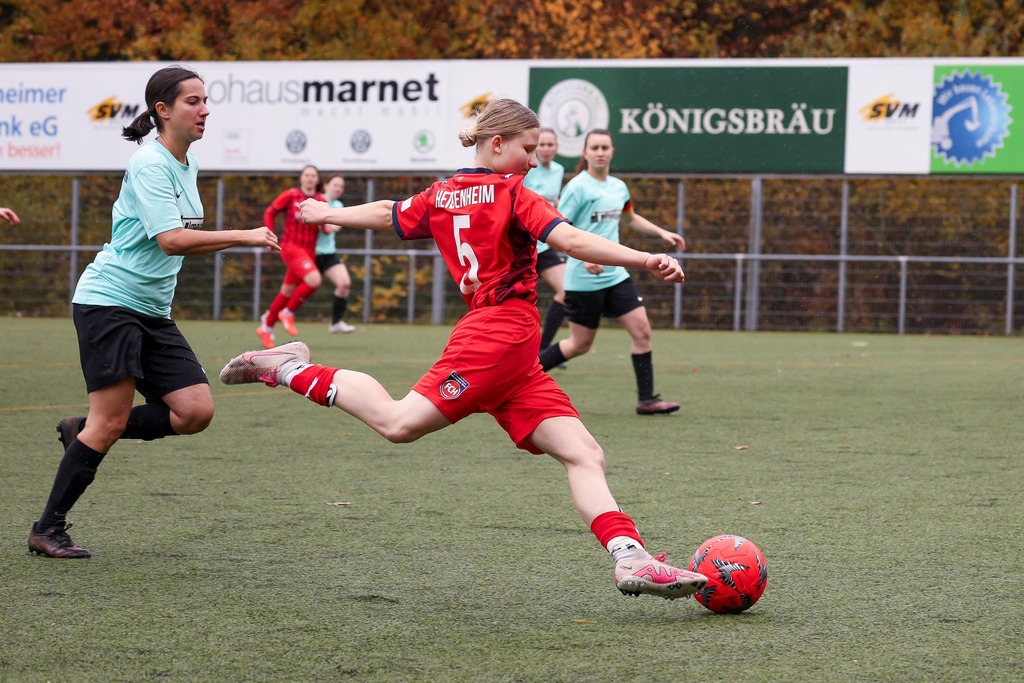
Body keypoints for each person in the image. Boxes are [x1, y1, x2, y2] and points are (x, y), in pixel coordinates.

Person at [219, 99, 707, 600]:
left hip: (514, 355)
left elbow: (388, 213)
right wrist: (645, 258)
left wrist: (329, 213)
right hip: (496, 337)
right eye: (527, 149)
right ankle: (288, 368)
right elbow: (573, 241)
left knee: (584, 453)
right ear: (497, 144)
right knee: (398, 423)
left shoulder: (443, 193)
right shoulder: (512, 194)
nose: (534, 160)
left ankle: (632, 558)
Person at [29, 65, 280, 558]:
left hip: (150, 310)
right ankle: (47, 529)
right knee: (110, 423)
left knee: (195, 411)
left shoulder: (188, 163)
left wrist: (234, 240)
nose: (205, 110)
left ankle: (82, 431)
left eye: (205, 100)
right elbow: (171, 240)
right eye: (193, 101)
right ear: (163, 110)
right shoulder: (149, 163)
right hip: (110, 304)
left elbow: (177, 241)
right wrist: (243, 235)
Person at [538, 129, 685, 416]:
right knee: (579, 345)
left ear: (612, 151)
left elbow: (629, 218)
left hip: (617, 276)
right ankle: (519, 378)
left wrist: (661, 232)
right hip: (583, 281)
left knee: (642, 331)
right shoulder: (577, 188)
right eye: (594, 148)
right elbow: (557, 230)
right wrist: (581, 258)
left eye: (605, 147)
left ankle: (647, 400)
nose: (600, 152)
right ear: (585, 152)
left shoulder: (619, 187)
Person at [255, 165, 327, 348]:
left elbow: (325, 228)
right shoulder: (291, 195)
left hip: (309, 251)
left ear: (317, 180)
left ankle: (266, 327)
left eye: (313, 176)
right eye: (307, 175)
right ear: (301, 178)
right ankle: (288, 312)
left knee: (286, 291)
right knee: (314, 280)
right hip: (291, 248)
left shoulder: (321, 200)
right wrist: (270, 236)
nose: (310, 178)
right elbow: (270, 212)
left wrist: (330, 224)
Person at [522, 128, 566, 352]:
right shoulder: (526, 168)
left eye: (551, 145)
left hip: (543, 245)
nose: (546, 149)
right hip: (521, 246)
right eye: (543, 145)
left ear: (557, 147)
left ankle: (544, 351)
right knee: (515, 303)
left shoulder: (559, 170)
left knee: (567, 291)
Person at [317, 174, 355, 333]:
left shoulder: (338, 205)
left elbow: (334, 227)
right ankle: (270, 318)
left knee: (344, 283)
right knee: (292, 291)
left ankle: (336, 323)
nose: (338, 188)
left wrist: (324, 224)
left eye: (341, 186)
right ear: (326, 185)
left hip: (328, 254)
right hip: (309, 254)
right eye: (335, 185)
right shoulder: (317, 202)